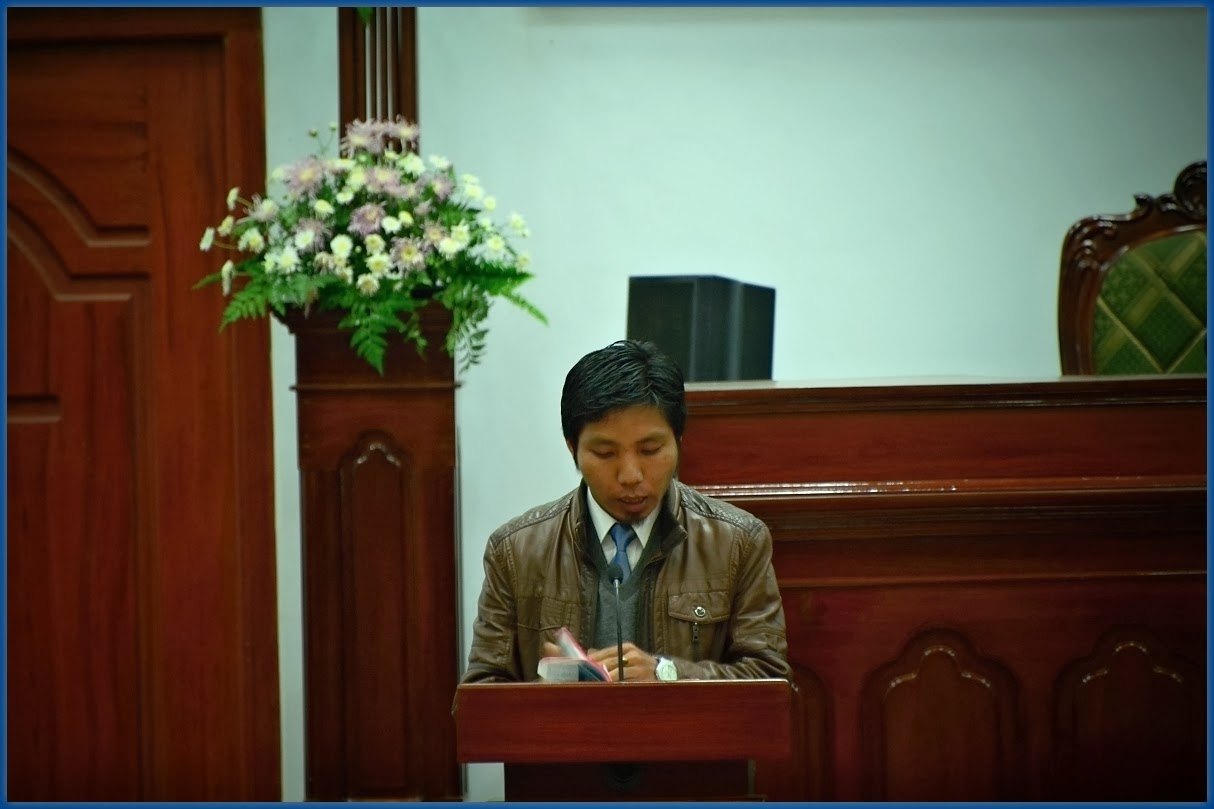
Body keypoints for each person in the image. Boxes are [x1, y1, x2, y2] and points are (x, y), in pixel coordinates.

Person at [461, 339, 789, 684]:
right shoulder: (516, 552)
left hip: (683, 723)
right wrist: (553, 695)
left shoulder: (736, 542)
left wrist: (667, 673)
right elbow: (481, 693)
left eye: (650, 450)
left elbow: (769, 678)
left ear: (678, 441)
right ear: (573, 448)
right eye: (605, 454)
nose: (630, 475)